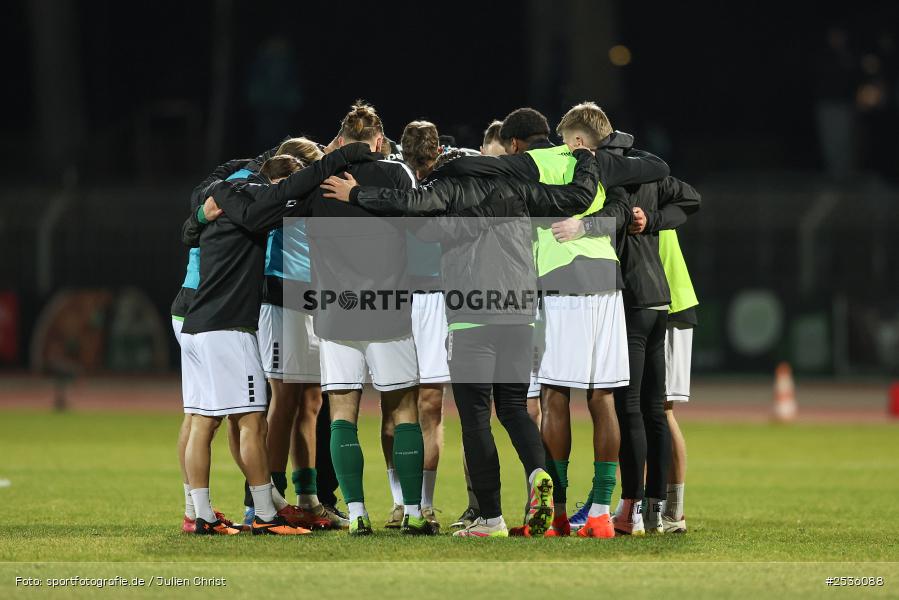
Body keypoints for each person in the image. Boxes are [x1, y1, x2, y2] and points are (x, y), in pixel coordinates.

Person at [321, 136, 601, 537]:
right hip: (520, 312)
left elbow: (410, 207)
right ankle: (539, 473)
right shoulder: (516, 186)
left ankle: (490, 517)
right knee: (514, 409)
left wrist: (356, 194)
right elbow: (577, 196)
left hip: (473, 316)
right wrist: (585, 158)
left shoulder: (448, 185)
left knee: (474, 419)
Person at [436, 104, 670, 537]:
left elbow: (483, 169)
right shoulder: (600, 165)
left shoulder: (535, 161)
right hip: (609, 283)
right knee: (604, 399)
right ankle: (601, 512)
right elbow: (651, 174)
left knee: (554, 397)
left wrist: (435, 164)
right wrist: (591, 221)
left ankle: (557, 512)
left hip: (564, 283)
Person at [206, 102, 434, 536]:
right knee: (403, 412)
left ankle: (358, 512)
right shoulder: (396, 173)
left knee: (341, 413)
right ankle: (414, 512)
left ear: (340, 141)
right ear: (380, 140)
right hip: (387, 307)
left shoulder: (319, 181)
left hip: (333, 309)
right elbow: (418, 218)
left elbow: (289, 221)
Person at [180, 150, 358, 536]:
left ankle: (201, 516)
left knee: (200, 421)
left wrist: (198, 215)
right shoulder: (253, 208)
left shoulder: (218, 203)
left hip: (198, 326)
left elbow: (190, 227)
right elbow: (268, 206)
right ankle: (263, 512)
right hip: (229, 329)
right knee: (252, 422)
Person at [250, 137, 345, 531]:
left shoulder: (314, 199)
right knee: (284, 398)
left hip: (314, 298)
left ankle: (308, 499)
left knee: (311, 400)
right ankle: (266, 499)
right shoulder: (280, 198)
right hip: (282, 295)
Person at [171, 158, 251, 533]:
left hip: (188, 307)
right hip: (206, 311)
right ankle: (200, 511)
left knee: (198, 414)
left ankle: (194, 509)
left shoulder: (209, 198)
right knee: (213, 416)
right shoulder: (243, 199)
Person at [379, 121, 447, 531]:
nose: (422, 168)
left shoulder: (451, 179)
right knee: (397, 407)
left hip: (436, 299)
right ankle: (399, 503)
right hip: (396, 298)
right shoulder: (391, 180)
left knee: (429, 407)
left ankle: (423, 504)